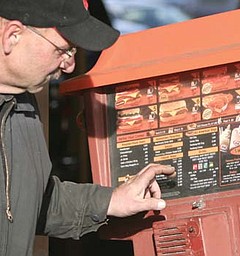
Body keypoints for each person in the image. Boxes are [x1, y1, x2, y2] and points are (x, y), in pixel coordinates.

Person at [0, 0, 176, 255]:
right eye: (63, 50)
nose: (69, 65)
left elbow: (30, 201)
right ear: (12, 36)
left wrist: (112, 200)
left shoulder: (22, 104)